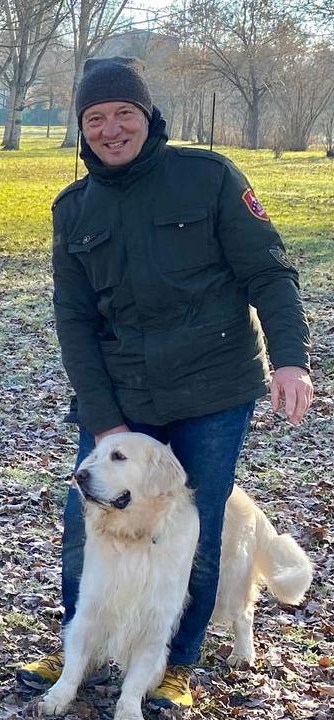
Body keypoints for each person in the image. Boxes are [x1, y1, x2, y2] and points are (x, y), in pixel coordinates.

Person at [18, 57, 314, 709]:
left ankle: (177, 662)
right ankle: (83, 643)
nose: (111, 128)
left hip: (213, 392)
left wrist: (290, 359)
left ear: (149, 117)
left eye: (124, 113)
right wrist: (103, 421)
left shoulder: (206, 178)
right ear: (82, 128)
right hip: (123, 400)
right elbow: (74, 323)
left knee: (196, 529)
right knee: (87, 520)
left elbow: (269, 272)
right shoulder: (74, 209)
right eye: (95, 117)